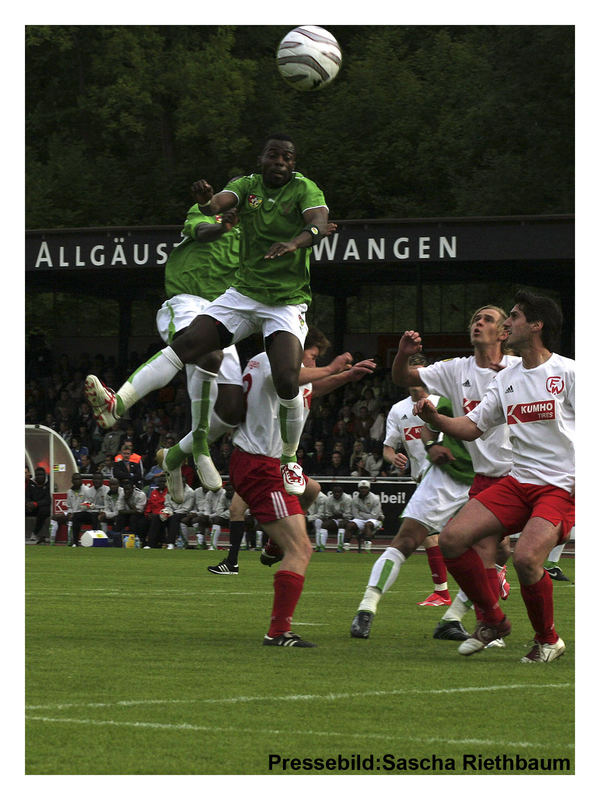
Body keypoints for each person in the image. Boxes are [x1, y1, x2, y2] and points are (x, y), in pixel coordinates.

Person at [85, 133, 336, 501]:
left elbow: (318, 221)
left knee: (285, 380)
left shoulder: (304, 189)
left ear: (293, 164)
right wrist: (208, 202)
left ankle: (289, 458)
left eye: (287, 157)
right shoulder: (245, 188)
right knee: (189, 345)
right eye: (273, 155)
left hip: (285, 302)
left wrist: (297, 242)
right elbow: (215, 205)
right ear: (262, 159)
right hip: (239, 296)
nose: (280, 162)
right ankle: (117, 404)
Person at [414, 291, 574, 662]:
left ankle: (548, 640)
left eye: (514, 317)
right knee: (452, 539)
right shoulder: (506, 378)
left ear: (536, 326)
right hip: (519, 482)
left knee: (526, 558)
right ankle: (493, 621)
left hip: (561, 486)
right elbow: (471, 427)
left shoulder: (569, 373)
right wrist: (435, 419)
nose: (506, 323)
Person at [351, 304, 518, 640]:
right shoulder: (456, 370)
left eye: (486, 319)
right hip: (451, 472)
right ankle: (367, 608)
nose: (478, 323)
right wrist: (402, 354)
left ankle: (454, 618)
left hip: (497, 478)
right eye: (475, 318)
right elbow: (411, 389)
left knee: (497, 552)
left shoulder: (519, 369)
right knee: (408, 538)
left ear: (503, 333)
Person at [208, 327, 376, 575]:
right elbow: (293, 378)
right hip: (260, 459)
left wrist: (347, 377)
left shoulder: (274, 366)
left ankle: (269, 547)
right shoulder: (272, 363)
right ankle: (237, 560)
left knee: (312, 490)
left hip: (273, 459)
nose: (314, 362)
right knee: (298, 548)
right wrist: (331, 368)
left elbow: (311, 389)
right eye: (313, 356)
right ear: (296, 349)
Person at [344, 480, 385, 553]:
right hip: (360, 519)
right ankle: (346, 547)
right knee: (350, 525)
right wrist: (364, 515)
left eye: (365, 488)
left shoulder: (375, 498)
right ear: (358, 489)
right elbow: (355, 514)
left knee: (368, 524)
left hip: (376, 520)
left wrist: (361, 513)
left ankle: (367, 548)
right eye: (361, 488)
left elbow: (374, 516)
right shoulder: (355, 499)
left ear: (369, 489)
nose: (363, 490)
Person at [49, 472, 89, 546]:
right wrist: (70, 512)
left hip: (82, 513)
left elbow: (88, 505)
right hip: (72, 512)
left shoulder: (86, 490)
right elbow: (69, 506)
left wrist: (74, 514)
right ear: (72, 481)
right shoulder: (69, 491)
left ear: (81, 480)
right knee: (54, 517)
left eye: (78, 479)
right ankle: (51, 542)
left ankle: (71, 542)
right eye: (75, 479)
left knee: (73, 519)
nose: (76, 481)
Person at [71, 472, 108, 543]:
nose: (97, 481)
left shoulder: (107, 490)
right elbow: (85, 505)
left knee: (95, 516)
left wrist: (94, 507)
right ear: (92, 480)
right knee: (76, 516)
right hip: (91, 513)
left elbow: (107, 506)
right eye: (95, 479)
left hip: (103, 513)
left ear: (102, 480)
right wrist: (90, 506)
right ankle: (75, 542)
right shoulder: (88, 491)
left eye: (99, 479)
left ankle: (96, 541)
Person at [113, 478, 148, 546]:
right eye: (125, 489)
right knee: (119, 518)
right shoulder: (122, 493)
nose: (126, 491)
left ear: (133, 488)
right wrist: (131, 511)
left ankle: (134, 540)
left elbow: (139, 512)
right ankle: (117, 539)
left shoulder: (141, 495)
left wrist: (127, 501)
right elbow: (120, 510)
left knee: (133, 518)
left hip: (140, 516)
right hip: (127, 514)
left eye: (128, 489)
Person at [320, 483, 353, 552]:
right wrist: (334, 516)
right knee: (324, 525)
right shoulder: (329, 499)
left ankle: (340, 547)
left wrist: (339, 516)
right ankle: (321, 547)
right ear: (332, 493)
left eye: (339, 492)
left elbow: (348, 514)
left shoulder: (347, 499)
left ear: (342, 492)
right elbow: (328, 514)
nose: (337, 494)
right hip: (334, 519)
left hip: (346, 520)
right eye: (335, 492)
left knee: (342, 524)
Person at [26, 467, 51, 544]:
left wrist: (36, 504)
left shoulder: (49, 483)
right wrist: (27, 503)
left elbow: (48, 500)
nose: (39, 477)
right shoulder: (31, 483)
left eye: (41, 475)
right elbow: (27, 495)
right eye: (37, 475)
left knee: (43, 511)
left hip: (43, 507)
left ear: (45, 475)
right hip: (32, 507)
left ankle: (35, 533)